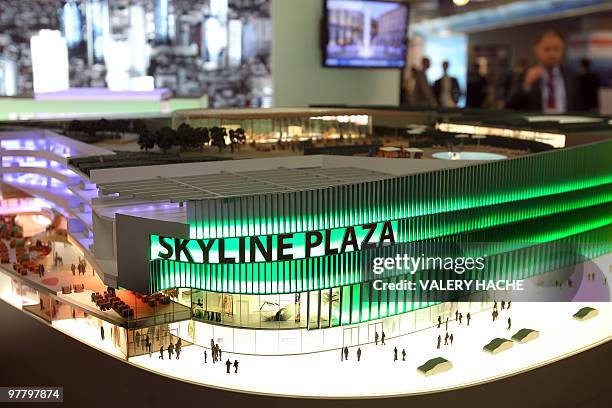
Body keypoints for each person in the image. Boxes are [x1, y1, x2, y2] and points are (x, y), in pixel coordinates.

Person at [506, 30, 583, 112]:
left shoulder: (572, 77)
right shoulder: (525, 75)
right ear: (536, 51)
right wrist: (526, 86)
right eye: (547, 49)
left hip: (565, 123)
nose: (552, 54)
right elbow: (509, 106)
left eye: (556, 49)